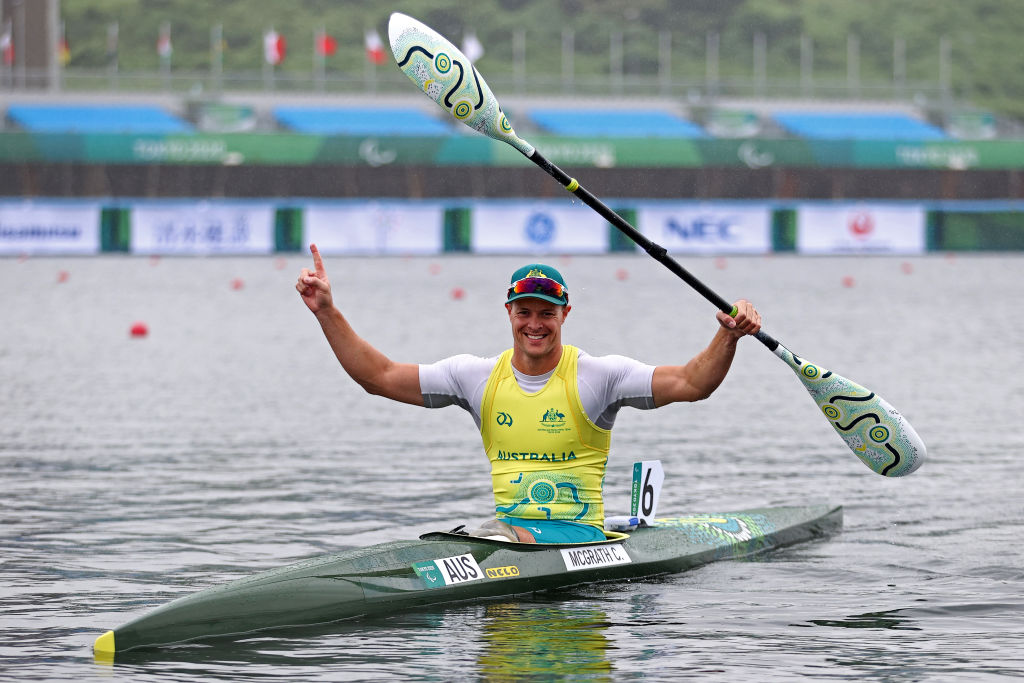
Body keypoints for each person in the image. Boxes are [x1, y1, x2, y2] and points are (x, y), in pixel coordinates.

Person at [296, 244, 761, 544]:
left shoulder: (599, 376)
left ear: (565, 315)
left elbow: (692, 383)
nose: (534, 324)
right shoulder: (474, 377)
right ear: (509, 312)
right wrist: (326, 313)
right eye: (524, 312)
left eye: (546, 313)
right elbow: (378, 376)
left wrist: (729, 336)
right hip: (510, 537)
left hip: (577, 539)